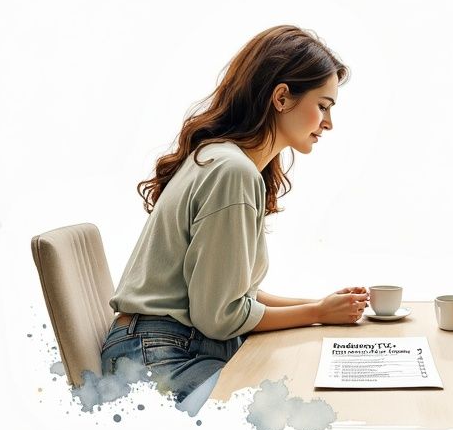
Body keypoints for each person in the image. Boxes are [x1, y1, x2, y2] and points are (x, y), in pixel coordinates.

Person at [100, 25, 369, 406]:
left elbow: (234, 296)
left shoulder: (221, 159)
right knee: (297, 402)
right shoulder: (232, 172)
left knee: (299, 382)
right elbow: (220, 317)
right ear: (281, 98)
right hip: (157, 358)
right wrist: (316, 313)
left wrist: (322, 307)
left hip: (154, 347)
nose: (328, 122)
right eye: (323, 106)